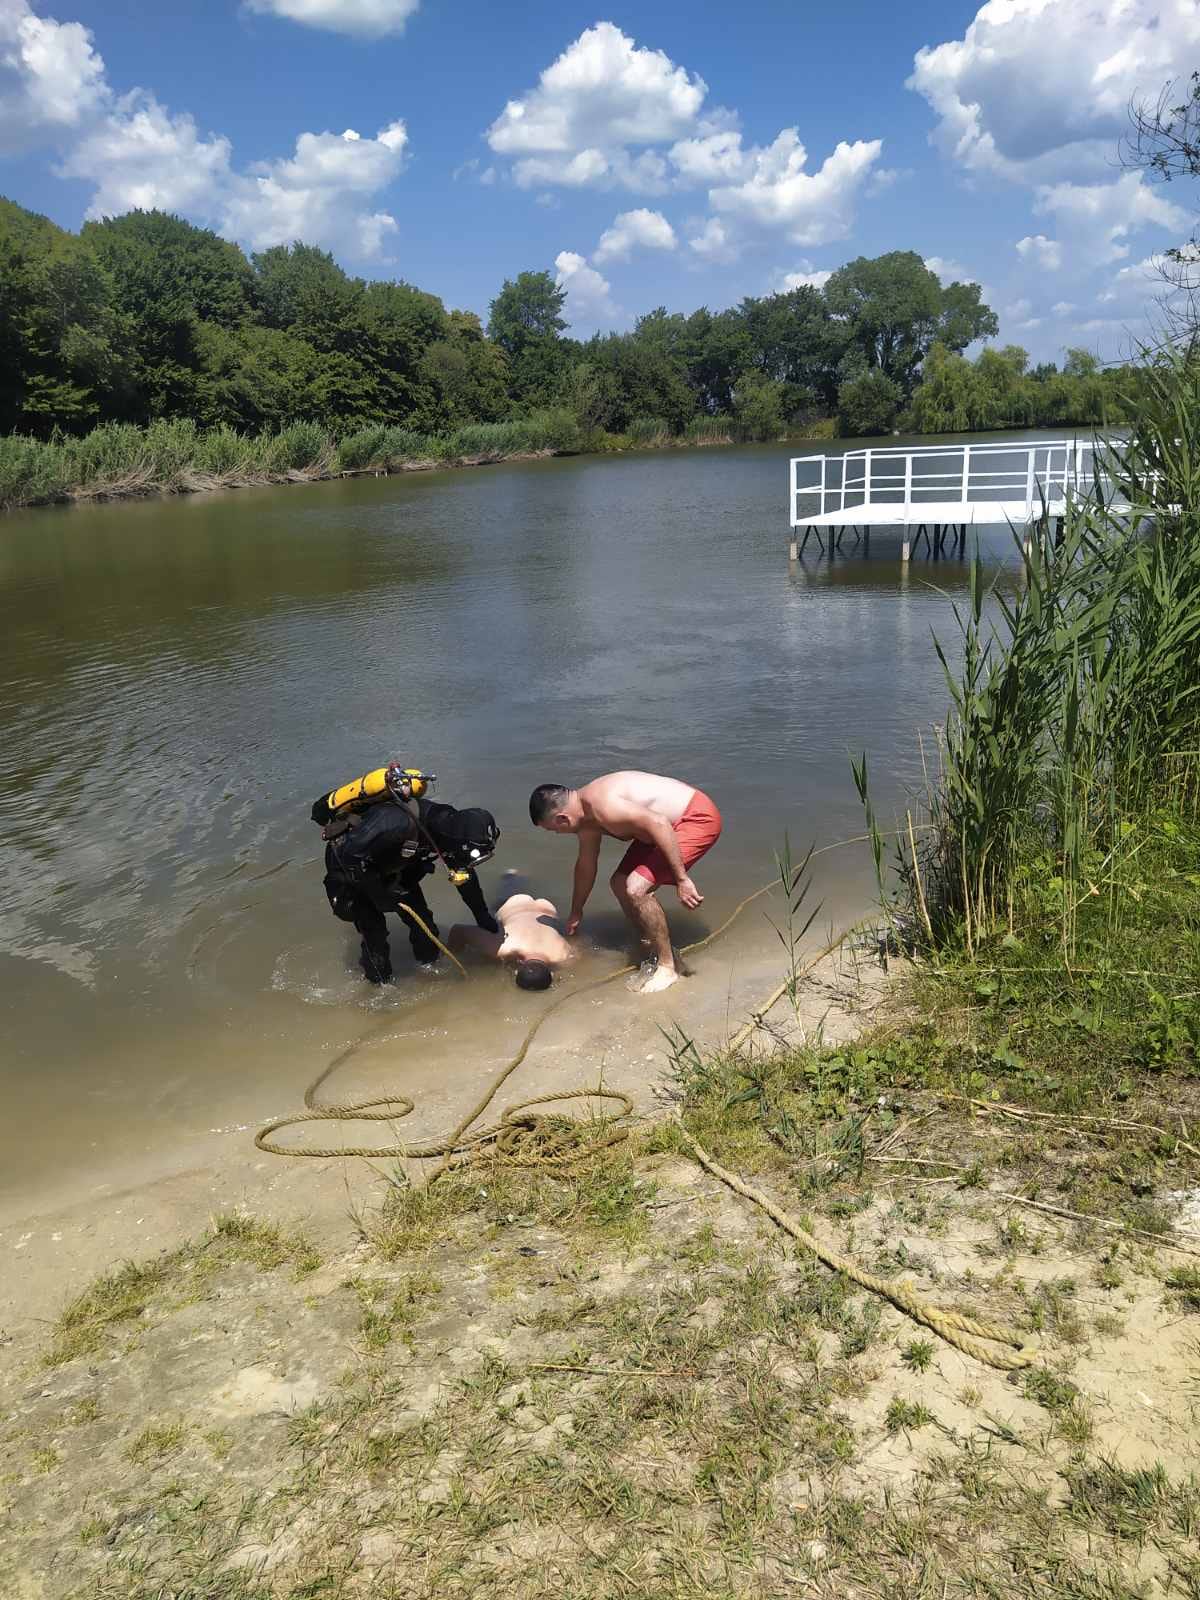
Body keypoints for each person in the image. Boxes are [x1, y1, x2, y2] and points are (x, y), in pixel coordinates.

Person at [528, 770, 722, 993]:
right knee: (620, 883)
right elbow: (586, 865)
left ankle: (668, 967)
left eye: (554, 831)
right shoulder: (586, 819)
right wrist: (576, 912)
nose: (557, 834)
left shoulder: (604, 806)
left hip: (694, 818)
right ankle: (650, 940)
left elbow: (659, 823)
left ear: (562, 819)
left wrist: (682, 879)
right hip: (657, 831)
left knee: (636, 888)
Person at [314, 764, 500, 983]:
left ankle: (429, 973)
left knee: (426, 929)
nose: (467, 864)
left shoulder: (450, 832)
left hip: (393, 864)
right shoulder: (395, 822)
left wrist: (483, 918)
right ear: (462, 844)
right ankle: (379, 995)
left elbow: (464, 876)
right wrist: (380, 897)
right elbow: (351, 856)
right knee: (376, 938)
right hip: (349, 866)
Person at [448, 890, 575, 990]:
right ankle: (510, 876)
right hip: (515, 904)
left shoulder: (563, 955)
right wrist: (452, 957)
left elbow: (458, 930)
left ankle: (511, 876)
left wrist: (453, 955)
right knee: (498, 902)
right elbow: (459, 930)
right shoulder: (505, 947)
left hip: (547, 909)